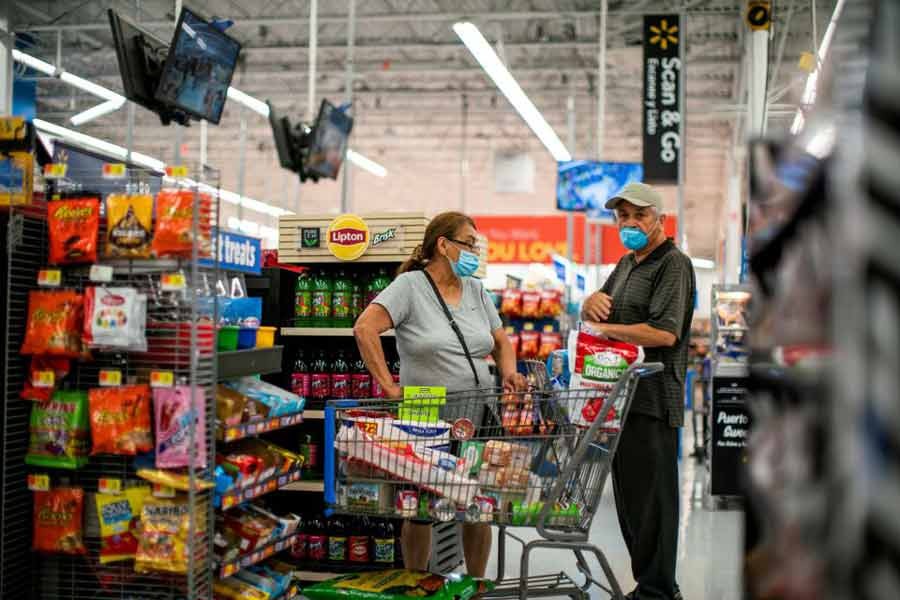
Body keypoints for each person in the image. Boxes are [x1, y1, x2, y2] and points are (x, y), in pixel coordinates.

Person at [354, 211, 525, 577]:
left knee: (477, 506)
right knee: (419, 509)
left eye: (475, 246)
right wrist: (388, 385)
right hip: (424, 413)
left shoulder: (477, 289)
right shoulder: (410, 287)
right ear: (443, 245)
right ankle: (416, 580)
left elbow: (500, 342)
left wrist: (509, 372)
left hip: (478, 411)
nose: (473, 252)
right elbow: (365, 328)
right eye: (468, 244)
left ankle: (476, 583)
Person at [581, 182, 695, 600]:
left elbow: (664, 334)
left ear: (659, 220)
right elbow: (597, 308)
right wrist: (588, 302)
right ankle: (649, 586)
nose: (629, 223)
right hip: (621, 401)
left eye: (639, 215)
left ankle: (659, 591)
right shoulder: (628, 263)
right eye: (622, 216)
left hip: (652, 400)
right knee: (632, 504)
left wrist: (605, 328)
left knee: (654, 505)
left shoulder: (674, 264)